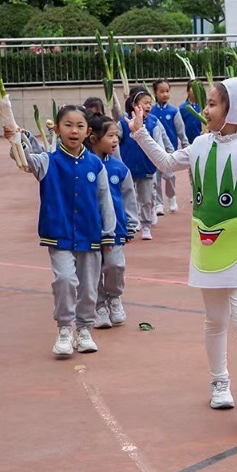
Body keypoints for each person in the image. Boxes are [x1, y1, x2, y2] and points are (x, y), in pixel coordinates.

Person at [129, 68, 237, 425]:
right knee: (214, 320)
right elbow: (165, 163)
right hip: (208, 244)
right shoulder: (198, 145)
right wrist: (140, 133)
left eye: (212, 104)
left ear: (235, 110)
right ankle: (219, 382)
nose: (205, 109)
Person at [11, 105, 116, 357]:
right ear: (57, 129)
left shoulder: (95, 164)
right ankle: (65, 329)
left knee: (89, 287)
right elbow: (24, 161)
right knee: (65, 280)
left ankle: (84, 329)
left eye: (80, 126)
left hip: (90, 234)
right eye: (68, 125)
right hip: (58, 234)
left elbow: (105, 199)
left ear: (88, 131)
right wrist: (15, 140)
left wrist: (108, 232)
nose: (74, 130)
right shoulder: (48, 161)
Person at [86, 115, 139, 330]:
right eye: (110, 136)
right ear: (93, 139)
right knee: (93, 269)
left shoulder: (119, 168)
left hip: (116, 229)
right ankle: (99, 306)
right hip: (89, 229)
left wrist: (131, 223)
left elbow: (128, 197)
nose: (116, 140)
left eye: (117, 135)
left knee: (115, 265)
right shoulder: (83, 166)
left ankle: (114, 298)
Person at [118, 87, 173, 241]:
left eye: (150, 103)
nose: (149, 106)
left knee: (146, 198)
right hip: (127, 166)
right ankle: (132, 221)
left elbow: (159, 144)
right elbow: (115, 141)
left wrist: (165, 162)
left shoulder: (154, 123)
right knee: (129, 196)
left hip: (146, 166)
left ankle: (146, 226)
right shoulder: (123, 122)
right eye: (145, 103)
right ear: (135, 105)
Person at [151, 80, 189, 215]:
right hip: (154, 150)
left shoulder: (174, 111)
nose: (165, 94)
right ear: (155, 93)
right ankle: (159, 204)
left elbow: (180, 129)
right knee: (155, 179)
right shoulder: (151, 111)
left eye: (167, 91)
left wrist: (185, 144)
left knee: (169, 176)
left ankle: (171, 197)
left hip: (169, 149)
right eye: (161, 91)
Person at [180, 80, 205, 145]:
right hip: (188, 143)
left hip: (203, 141)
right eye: (194, 88)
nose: (196, 90)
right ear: (188, 91)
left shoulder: (205, 106)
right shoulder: (182, 108)